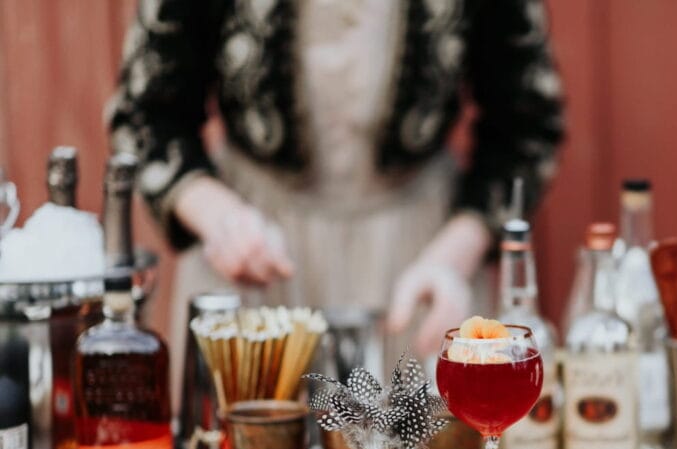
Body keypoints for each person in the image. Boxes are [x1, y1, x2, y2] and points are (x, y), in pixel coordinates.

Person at [107, 0, 564, 369]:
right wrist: (217, 216)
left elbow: (527, 124)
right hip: (251, 254)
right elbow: (145, 114)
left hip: (422, 262)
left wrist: (454, 255)